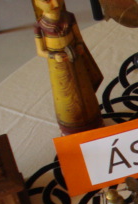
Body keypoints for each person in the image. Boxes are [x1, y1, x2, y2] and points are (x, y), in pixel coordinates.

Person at [34, 0, 104, 135]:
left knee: (85, 90)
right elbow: (40, 51)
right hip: (58, 65)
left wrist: (79, 46)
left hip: (75, 58)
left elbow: (78, 38)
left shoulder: (69, 17)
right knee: (65, 96)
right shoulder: (40, 26)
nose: (56, 4)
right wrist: (54, 56)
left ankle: (94, 122)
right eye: (48, 1)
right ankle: (71, 129)